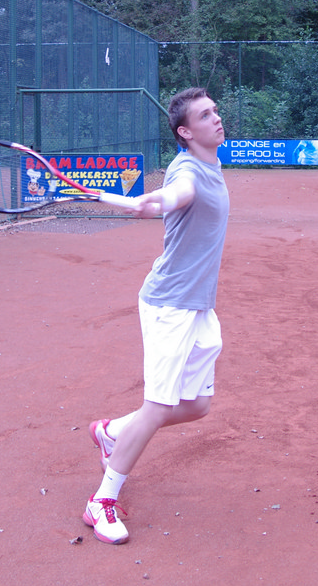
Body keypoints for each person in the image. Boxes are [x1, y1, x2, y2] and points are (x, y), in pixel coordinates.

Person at [83, 87, 230, 545]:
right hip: (170, 305)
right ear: (185, 132)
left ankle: (112, 432)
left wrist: (158, 203)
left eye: (214, 111)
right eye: (205, 115)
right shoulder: (187, 169)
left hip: (197, 303)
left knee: (198, 405)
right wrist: (157, 201)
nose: (216, 118)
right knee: (159, 405)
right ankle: (102, 500)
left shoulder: (211, 163)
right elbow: (178, 192)